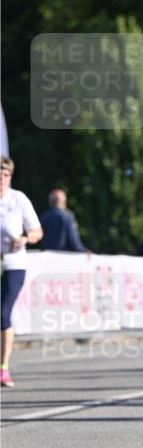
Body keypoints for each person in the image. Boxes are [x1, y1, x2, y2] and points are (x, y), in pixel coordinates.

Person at [0, 156, 43, 387]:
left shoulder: (19, 199)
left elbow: (37, 231)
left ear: (11, 176)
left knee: (3, 313)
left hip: (13, 264)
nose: (1, 177)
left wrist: (25, 239)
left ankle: (3, 368)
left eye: (5, 173)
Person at [39, 188, 86, 252]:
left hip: (47, 255)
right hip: (63, 256)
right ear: (64, 202)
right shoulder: (68, 216)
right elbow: (73, 240)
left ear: (50, 202)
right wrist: (83, 251)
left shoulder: (44, 217)